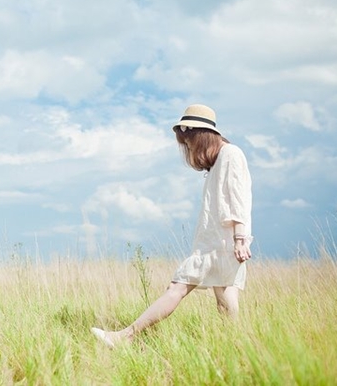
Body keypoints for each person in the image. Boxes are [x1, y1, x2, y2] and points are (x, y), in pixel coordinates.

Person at [91, 104, 253, 348]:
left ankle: (125, 337)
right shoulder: (218, 161)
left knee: (177, 287)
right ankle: (238, 348)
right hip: (216, 241)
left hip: (223, 243)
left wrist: (240, 239)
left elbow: (238, 197)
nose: (187, 145)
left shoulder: (231, 154)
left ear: (202, 134)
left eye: (189, 139)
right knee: (225, 299)